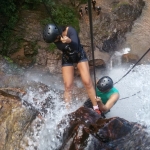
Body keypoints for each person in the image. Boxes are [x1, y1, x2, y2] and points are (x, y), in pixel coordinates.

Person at [43, 24, 101, 114]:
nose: (55, 41)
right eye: (54, 40)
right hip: (67, 57)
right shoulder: (56, 38)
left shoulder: (70, 30)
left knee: (87, 82)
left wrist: (69, 40)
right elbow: (62, 47)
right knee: (68, 86)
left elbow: (75, 45)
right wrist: (65, 42)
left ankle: (96, 107)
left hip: (79, 54)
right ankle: (67, 110)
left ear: (58, 33)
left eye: (55, 39)